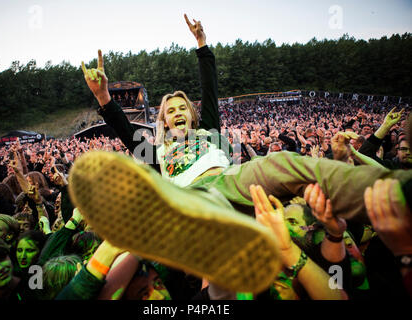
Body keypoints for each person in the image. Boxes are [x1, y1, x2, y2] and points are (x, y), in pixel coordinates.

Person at [73, 14, 412, 294]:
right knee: (212, 227)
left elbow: (210, 88)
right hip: (193, 198)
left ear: (192, 115)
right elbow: (124, 129)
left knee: (283, 162)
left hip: (232, 180)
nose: (177, 112)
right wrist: (104, 96)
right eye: (169, 110)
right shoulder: (156, 151)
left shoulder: (210, 133)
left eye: (182, 108)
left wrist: (202, 47)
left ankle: (394, 194)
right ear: (162, 121)